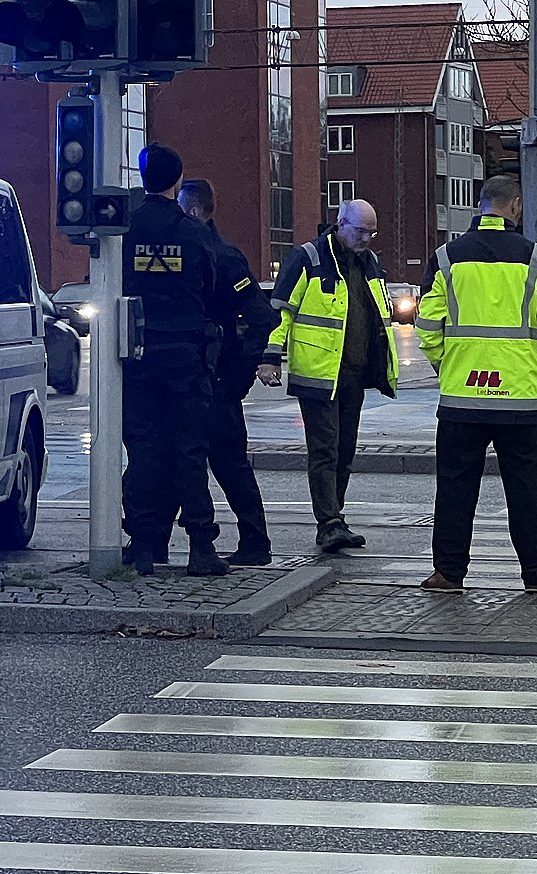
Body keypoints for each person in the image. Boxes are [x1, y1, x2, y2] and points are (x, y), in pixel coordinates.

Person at [414, 175, 537, 595]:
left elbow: (426, 324)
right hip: (520, 398)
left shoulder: (447, 257)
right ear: (515, 206)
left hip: (462, 397)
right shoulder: (535, 258)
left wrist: (446, 362)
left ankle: (448, 573)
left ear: (480, 206)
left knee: (455, 488)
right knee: (525, 491)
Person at [118, 143, 236, 577]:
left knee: (144, 450)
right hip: (186, 356)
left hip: (139, 354)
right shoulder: (193, 232)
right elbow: (210, 286)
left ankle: (143, 545)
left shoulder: (126, 228)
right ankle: (201, 547)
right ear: (177, 181)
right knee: (190, 451)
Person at [259, 198, 399, 553]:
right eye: (361, 231)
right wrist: (270, 357)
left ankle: (335, 517)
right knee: (325, 451)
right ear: (340, 223)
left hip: (354, 374)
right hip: (319, 374)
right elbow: (280, 312)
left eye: (372, 232)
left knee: (344, 450)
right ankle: (329, 522)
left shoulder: (370, 263)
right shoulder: (310, 258)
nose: (366, 238)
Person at [179, 178, 278, 566]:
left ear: (194, 211)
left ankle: (255, 542)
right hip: (204, 376)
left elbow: (259, 316)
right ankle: (155, 540)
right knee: (194, 461)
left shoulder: (222, 256)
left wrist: (242, 367)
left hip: (216, 379)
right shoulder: (209, 251)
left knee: (227, 464)